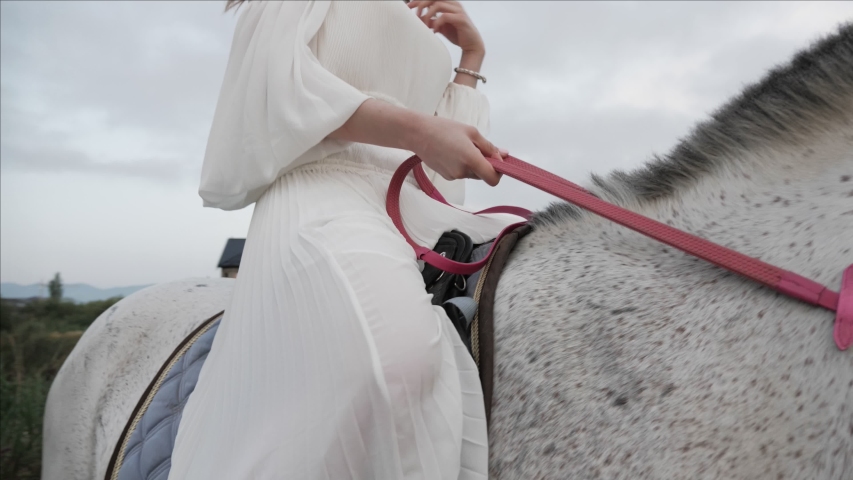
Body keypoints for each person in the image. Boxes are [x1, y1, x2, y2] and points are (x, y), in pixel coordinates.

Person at [170, 1, 519, 478]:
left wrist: (471, 59)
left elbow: (442, 161)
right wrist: (420, 131)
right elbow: (279, 86)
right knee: (397, 360)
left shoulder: (420, 18)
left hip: (413, 207)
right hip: (323, 187)